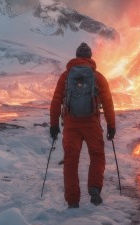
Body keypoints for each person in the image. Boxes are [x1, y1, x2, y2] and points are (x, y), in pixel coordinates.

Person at [49, 42, 116, 208]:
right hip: (91, 124)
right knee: (97, 155)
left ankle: (72, 200)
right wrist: (111, 125)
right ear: (90, 57)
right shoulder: (98, 77)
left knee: (71, 161)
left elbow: (56, 101)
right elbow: (108, 103)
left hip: (71, 124)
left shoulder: (66, 76)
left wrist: (54, 125)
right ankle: (94, 188)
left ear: (77, 56)